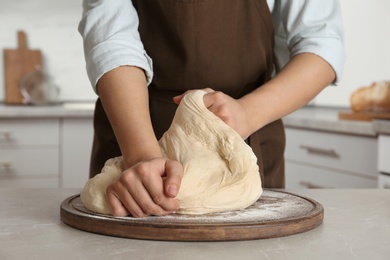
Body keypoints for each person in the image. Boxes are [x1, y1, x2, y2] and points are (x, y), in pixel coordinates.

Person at [78, 0, 345, 218]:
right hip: (136, 127)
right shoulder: (137, 152)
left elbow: (321, 42)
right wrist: (141, 155)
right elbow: (110, 37)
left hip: (248, 131)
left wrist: (247, 113)